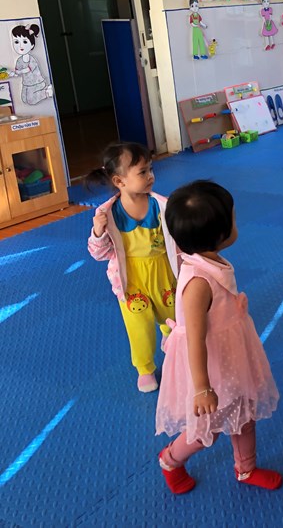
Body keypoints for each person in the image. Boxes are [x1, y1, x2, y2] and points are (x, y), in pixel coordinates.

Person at [156, 181, 281, 494]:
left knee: (245, 413)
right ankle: (170, 460)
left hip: (231, 353)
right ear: (219, 234)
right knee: (206, 429)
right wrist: (202, 388)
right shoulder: (197, 284)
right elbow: (195, 340)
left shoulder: (211, 259)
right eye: (233, 219)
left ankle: (246, 469)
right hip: (209, 367)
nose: (237, 223)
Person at [86, 142, 179, 393]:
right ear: (119, 181)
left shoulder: (162, 206)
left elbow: (177, 240)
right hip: (130, 280)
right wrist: (98, 232)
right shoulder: (108, 214)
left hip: (163, 271)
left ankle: (170, 335)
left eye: (151, 169)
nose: (150, 176)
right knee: (138, 327)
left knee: (173, 312)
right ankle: (145, 368)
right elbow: (99, 254)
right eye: (142, 172)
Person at [10, 23, 53, 104]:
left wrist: (20, 71)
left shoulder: (31, 59)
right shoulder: (19, 60)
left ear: (32, 45)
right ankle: (44, 92)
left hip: (36, 82)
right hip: (26, 83)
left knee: (31, 100)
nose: (20, 46)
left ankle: (47, 93)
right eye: (16, 42)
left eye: (25, 42)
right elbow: (17, 70)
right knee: (24, 99)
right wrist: (13, 73)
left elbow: (28, 69)